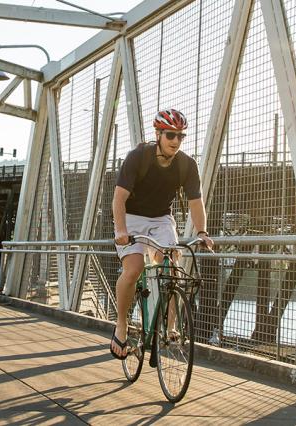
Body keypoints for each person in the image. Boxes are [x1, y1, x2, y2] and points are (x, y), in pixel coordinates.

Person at [109, 108, 214, 360]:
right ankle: (121, 325)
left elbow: (196, 203)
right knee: (133, 270)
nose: (176, 141)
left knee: (171, 266)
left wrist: (202, 231)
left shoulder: (187, 165)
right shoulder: (138, 157)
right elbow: (118, 199)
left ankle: (170, 326)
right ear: (158, 134)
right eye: (170, 135)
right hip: (131, 217)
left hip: (161, 219)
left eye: (181, 136)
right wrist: (122, 230)